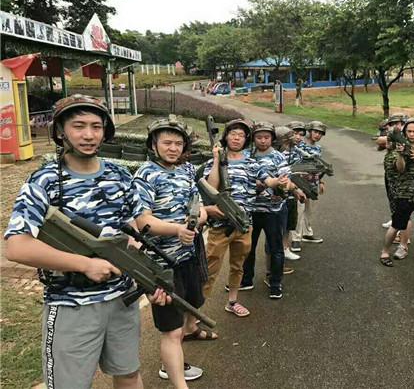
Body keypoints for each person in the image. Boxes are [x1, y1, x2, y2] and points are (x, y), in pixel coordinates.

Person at [4, 94, 167, 389]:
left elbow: (132, 232)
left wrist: (148, 278)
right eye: (79, 126)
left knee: (129, 374)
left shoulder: (120, 176)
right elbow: (17, 246)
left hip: (121, 300)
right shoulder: (44, 181)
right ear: (61, 131)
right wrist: (85, 264)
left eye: (96, 126)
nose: (89, 135)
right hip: (71, 305)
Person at [133, 115, 210, 386]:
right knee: (171, 330)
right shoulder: (145, 174)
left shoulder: (186, 170)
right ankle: (176, 379)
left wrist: (197, 220)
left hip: (188, 257)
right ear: (153, 144)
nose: (173, 148)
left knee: (190, 309)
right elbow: (143, 222)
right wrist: (177, 230)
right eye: (167, 142)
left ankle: (176, 362)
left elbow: (199, 206)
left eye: (178, 143)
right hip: (160, 265)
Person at [202, 119, 282, 316]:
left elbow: (268, 180)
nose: (237, 138)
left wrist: (279, 181)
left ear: (246, 139)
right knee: (210, 267)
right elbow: (211, 187)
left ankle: (232, 301)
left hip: (244, 225)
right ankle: (197, 309)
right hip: (220, 226)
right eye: (233, 134)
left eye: (241, 135)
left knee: (238, 266)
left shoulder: (252, 163)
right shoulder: (215, 161)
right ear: (226, 136)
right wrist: (216, 160)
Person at [241, 121, 291, 299]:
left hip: (273, 211)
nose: (263, 141)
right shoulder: (246, 155)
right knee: (248, 247)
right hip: (251, 210)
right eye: (259, 137)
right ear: (253, 138)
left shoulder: (278, 157)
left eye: (266, 137)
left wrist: (282, 187)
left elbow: (286, 179)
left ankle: (275, 283)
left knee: (276, 249)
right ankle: (246, 280)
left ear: (272, 138)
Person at [380, 117, 414, 264]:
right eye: (409, 131)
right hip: (404, 193)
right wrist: (400, 154)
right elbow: (400, 169)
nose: (411, 134)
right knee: (397, 225)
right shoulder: (398, 148)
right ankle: (385, 252)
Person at [292, 120, 328, 245]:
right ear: (309, 131)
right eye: (315, 132)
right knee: (299, 210)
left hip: (313, 182)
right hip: (300, 181)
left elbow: (319, 165)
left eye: (320, 133)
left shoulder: (318, 148)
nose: (317, 135)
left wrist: (321, 181)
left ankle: (307, 233)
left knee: (309, 210)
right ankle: (296, 238)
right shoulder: (300, 145)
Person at [286, 121, 308, 253]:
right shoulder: (280, 150)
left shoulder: (300, 150)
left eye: (301, 134)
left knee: (298, 214)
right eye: (295, 133)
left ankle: (295, 240)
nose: (298, 137)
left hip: (298, 186)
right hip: (284, 189)